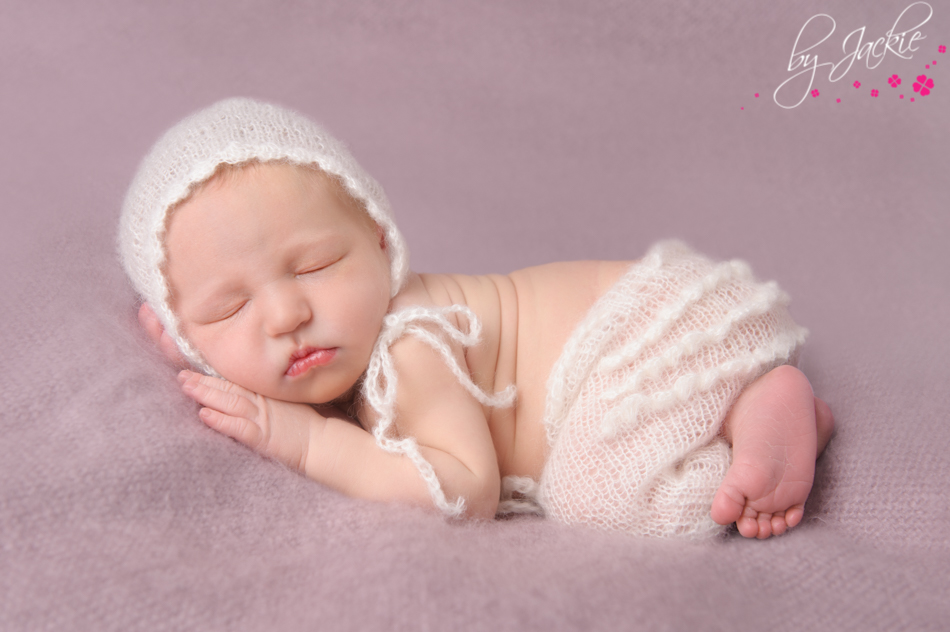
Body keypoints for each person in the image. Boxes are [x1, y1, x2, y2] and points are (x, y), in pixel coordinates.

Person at [119, 98, 834, 540]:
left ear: (379, 240)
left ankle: (757, 402)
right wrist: (193, 350)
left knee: (602, 503)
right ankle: (750, 412)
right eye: (228, 308)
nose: (286, 314)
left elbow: (463, 489)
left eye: (313, 267)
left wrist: (304, 443)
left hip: (652, 337)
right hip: (672, 327)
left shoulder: (408, 342)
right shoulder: (320, 342)